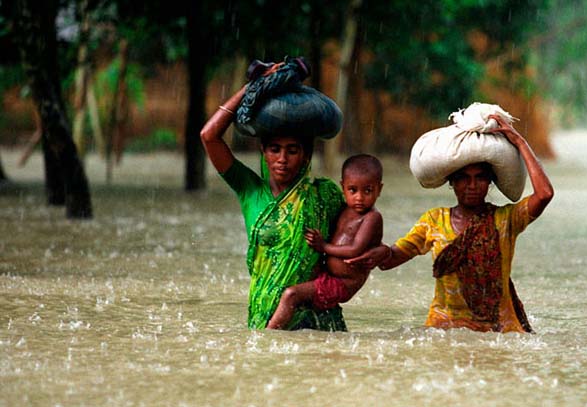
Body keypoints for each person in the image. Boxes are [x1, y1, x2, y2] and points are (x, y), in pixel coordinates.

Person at [348, 114, 554, 333]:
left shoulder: (505, 220)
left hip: (497, 330)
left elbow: (544, 194)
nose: (472, 185)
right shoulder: (434, 221)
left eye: (480, 177)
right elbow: (390, 259)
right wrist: (378, 252)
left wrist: (520, 142)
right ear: (452, 182)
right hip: (444, 329)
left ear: (489, 182)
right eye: (464, 178)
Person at [200, 59, 351, 331]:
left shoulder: (325, 195)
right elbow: (209, 136)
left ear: (305, 155)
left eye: (292, 151)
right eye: (275, 149)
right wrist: (254, 87)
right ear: (263, 152)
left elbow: (355, 236)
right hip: (264, 313)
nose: (282, 159)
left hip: (317, 321)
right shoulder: (250, 190)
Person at [266, 154, 384, 329]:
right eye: (353, 190)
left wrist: (323, 247)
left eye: (367, 191)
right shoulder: (344, 209)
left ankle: (267, 336)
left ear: (379, 190)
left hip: (343, 283)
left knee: (291, 294)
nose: (359, 197)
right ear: (342, 187)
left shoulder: (372, 217)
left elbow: (355, 250)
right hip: (329, 275)